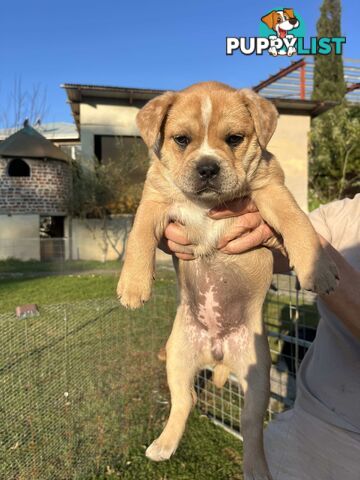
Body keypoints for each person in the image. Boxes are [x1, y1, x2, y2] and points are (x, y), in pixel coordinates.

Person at [160, 194, 360, 480]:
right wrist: (184, 233)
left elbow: (299, 240)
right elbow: (262, 243)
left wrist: (307, 245)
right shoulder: (347, 212)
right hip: (307, 418)